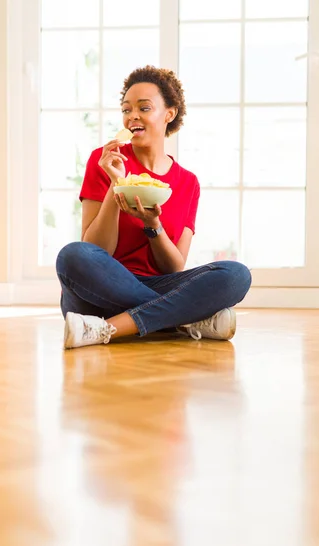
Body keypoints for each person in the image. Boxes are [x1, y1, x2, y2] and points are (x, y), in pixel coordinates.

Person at [56, 65, 251, 349]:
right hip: (99, 289)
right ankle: (186, 319)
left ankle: (108, 328)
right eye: (126, 109)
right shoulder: (105, 161)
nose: (132, 115)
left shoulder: (187, 183)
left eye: (144, 108)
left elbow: (174, 266)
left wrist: (153, 226)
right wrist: (116, 185)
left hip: (159, 285)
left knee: (236, 275)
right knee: (73, 255)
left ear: (168, 114)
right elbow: (96, 249)